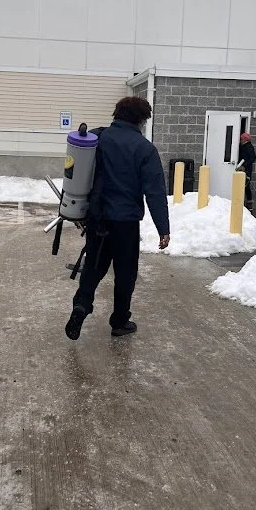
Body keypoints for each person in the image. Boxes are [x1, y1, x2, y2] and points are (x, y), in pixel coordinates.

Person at [65, 96, 170, 340]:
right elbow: (154, 192)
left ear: (117, 114)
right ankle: (120, 321)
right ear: (141, 119)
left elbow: (77, 173)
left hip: (98, 218)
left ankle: (81, 306)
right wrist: (163, 228)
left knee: (93, 267)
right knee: (125, 273)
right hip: (126, 223)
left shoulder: (97, 138)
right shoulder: (144, 149)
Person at [238, 131, 256, 210]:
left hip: (247, 169)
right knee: (244, 185)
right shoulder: (243, 146)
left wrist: (244, 165)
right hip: (243, 168)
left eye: (241, 139)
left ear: (245, 139)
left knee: (246, 186)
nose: (240, 140)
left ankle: (249, 204)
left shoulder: (248, 147)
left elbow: (253, 158)